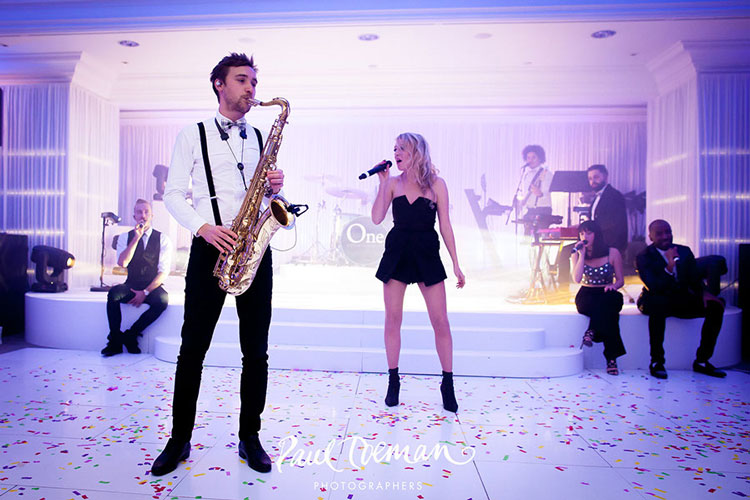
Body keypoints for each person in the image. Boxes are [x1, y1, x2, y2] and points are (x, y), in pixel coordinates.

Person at [156, 53, 285, 476]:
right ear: (219, 84)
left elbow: (266, 198)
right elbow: (172, 194)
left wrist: (275, 190)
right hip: (210, 247)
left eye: (254, 82)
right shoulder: (192, 134)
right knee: (192, 349)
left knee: (256, 352)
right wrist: (204, 228)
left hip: (253, 250)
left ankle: (250, 436)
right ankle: (179, 439)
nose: (251, 89)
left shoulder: (260, 136)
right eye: (242, 80)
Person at [371, 132, 466, 412]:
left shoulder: (437, 184)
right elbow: (376, 218)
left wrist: (456, 263)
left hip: (426, 251)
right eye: (395, 148)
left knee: (440, 321)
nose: (396, 153)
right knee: (392, 319)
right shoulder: (392, 183)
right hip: (397, 250)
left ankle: (447, 384)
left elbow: (445, 225)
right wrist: (382, 183)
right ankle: (393, 381)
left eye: (402, 148)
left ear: (417, 152)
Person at [636, 219, 726, 379]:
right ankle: (657, 361)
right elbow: (654, 286)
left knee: (716, 307)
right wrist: (670, 266)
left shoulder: (684, 251)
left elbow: (694, 278)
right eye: (659, 234)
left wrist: (703, 293)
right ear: (650, 237)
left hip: (679, 298)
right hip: (653, 298)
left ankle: (702, 361)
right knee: (658, 304)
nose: (665, 236)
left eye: (668, 232)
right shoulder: (644, 256)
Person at [101, 199, 171, 357]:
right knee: (113, 294)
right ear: (134, 216)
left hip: (152, 286)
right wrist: (136, 239)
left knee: (162, 300)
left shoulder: (163, 239)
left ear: (152, 216)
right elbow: (122, 263)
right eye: (139, 212)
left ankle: (131, 335)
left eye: (146, 212)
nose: (143, 215)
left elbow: (163, 272)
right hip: (131, 284)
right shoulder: (125, 237)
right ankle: (115, 340)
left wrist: (145, 292)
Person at [571, 220, 626, 375]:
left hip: (606, 292)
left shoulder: (612, 252)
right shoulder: (577, 253)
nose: (585, 236)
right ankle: (611, 359)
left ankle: (591, 331)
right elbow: (577, 279)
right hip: (587, 295)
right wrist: (581, 256)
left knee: (610, 303)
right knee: (610, 315)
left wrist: (613, 286)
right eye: (582, 233)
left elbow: (621, 280)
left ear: (597, 234)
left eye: (589, 233)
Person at [587, 164, 628, 254]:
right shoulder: (597, 197)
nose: (592, 181)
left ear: (605, 177)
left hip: (610, 246)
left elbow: (614, 223)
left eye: (596, 177)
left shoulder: (614, 196)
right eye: (590, 178)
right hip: (599, 244)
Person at [515, 145, 553, 233]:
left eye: (533, 157)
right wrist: (521, 202)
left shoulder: (546, 173)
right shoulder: (526, 174)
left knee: (540, 236)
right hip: (530, 210)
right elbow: (526, 193)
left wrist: (540, 194)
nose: (530, 160)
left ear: (540, 158)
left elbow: (546, 193)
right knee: (527, 236)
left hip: (543, 210)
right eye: (528, 158)